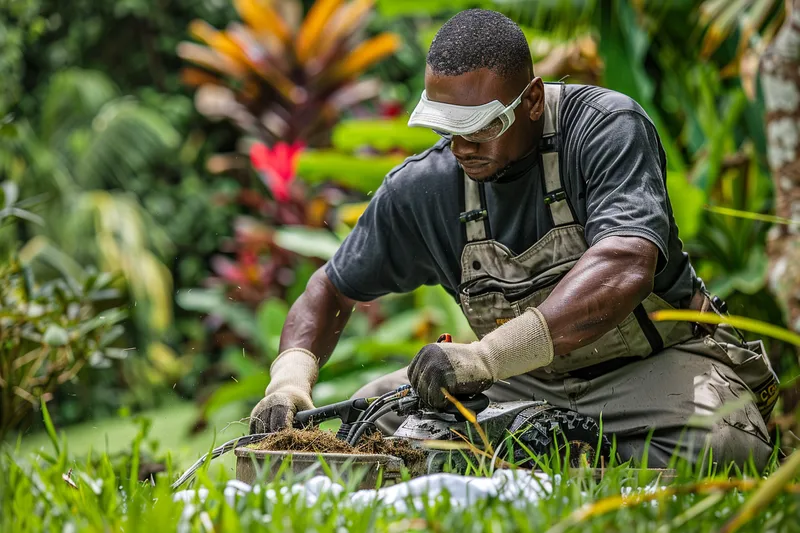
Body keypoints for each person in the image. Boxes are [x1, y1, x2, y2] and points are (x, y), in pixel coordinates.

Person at [249, 9, 779, 469]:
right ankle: (549, 452)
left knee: (725, 445)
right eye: (446, 127)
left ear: (530, 101)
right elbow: (330, 289)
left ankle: (548, 458)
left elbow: (626, 264)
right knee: (372, 427)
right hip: (522, 386)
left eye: (479, 126)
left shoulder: (603, 130)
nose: (460, 146)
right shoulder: (424, 189)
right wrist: (290, 378)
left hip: (652, 370)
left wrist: (484, 358)